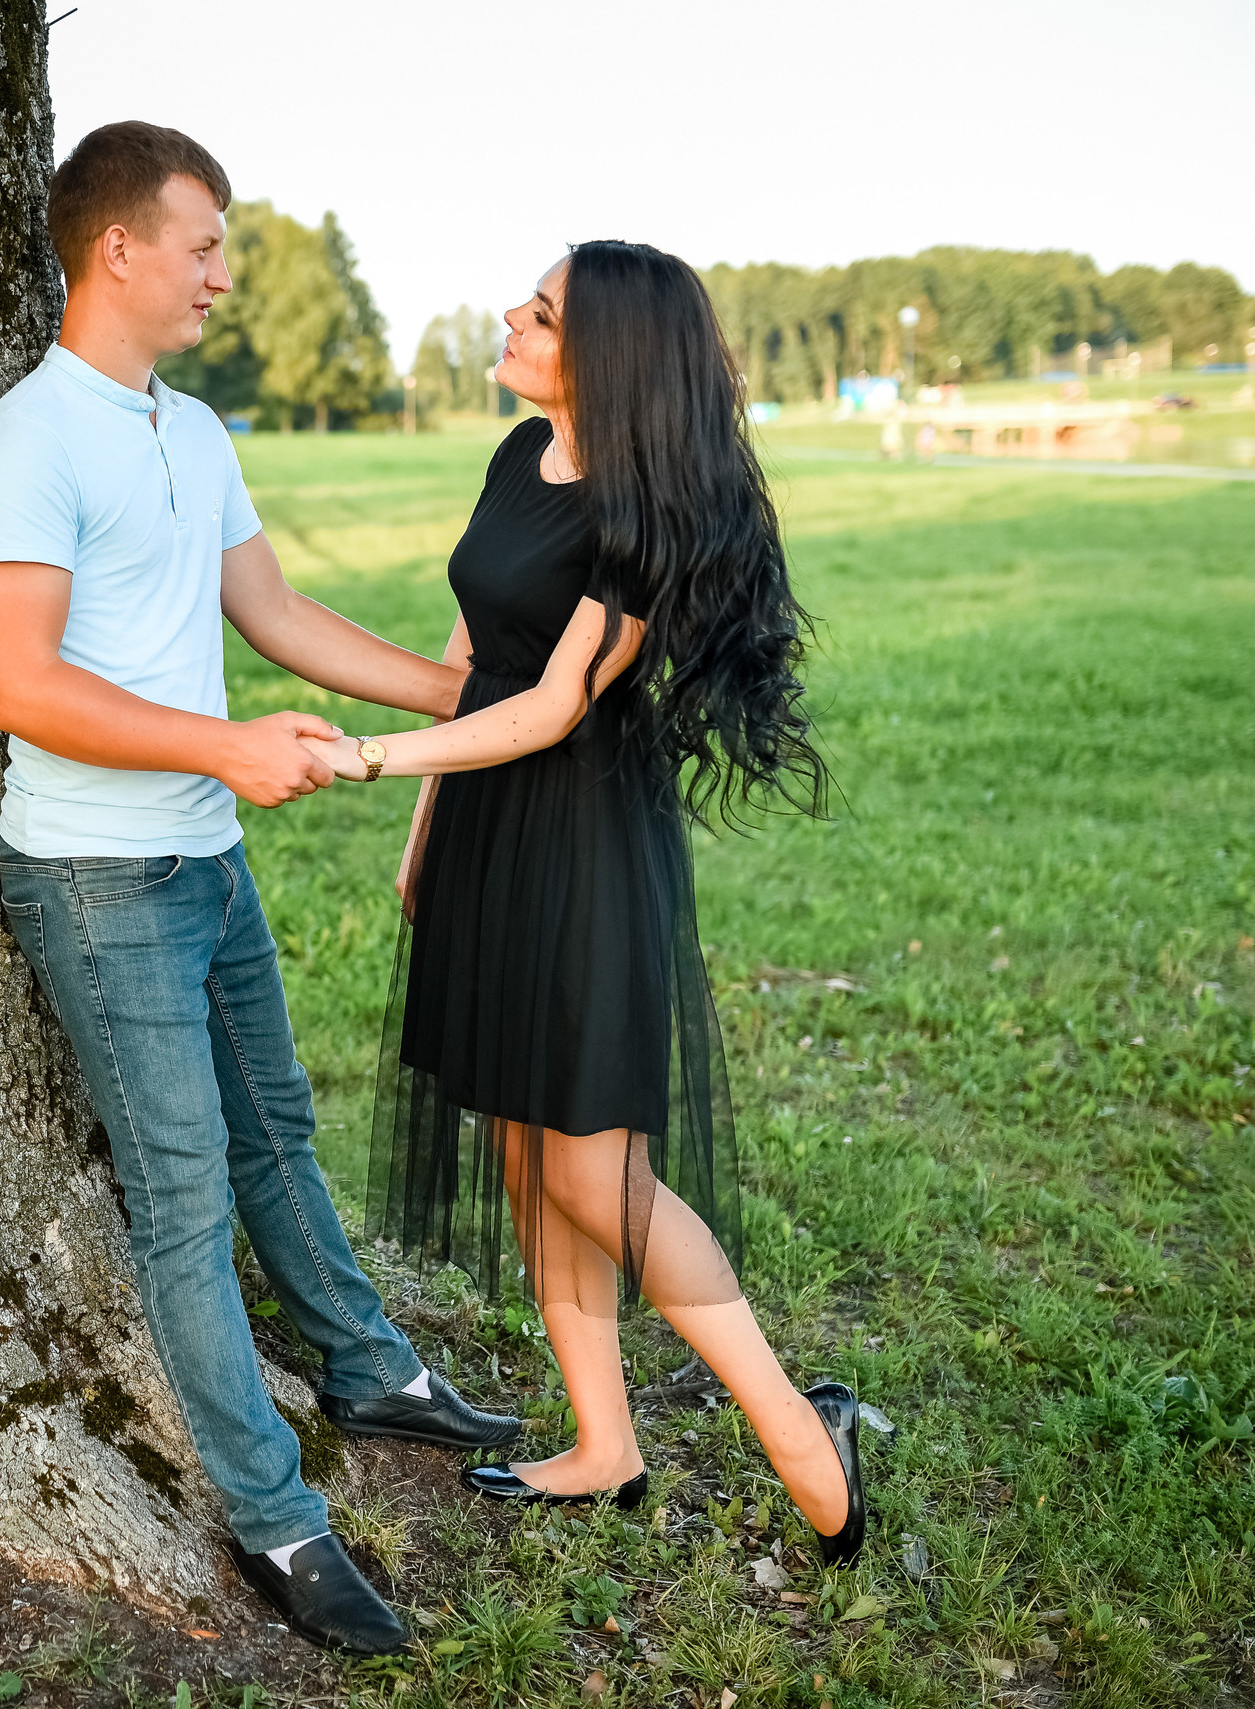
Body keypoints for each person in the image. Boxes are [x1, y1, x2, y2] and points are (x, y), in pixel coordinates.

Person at [0, 121, 519, 1656]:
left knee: (276, 1126)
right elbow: (21, 684)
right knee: (187, 1195)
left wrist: (449, 698)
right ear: (117, 248)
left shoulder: (189, 431)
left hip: (205, 852)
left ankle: (367, 1365)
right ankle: (278, 1520)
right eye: (202, 243)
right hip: (97, 873)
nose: (221, 272)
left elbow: (266, 610)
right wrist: (223, 746)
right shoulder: (25, 441)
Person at [304, 242, 871, 1564]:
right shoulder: (515, 456)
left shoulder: (640, 509)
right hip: (488, 823)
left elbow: (553, 705)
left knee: (594, 1169)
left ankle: (796, 1422)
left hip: (582, 841)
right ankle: (603, 1441)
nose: (511, 312)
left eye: (542, 310)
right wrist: (427, 825)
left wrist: (367, 757)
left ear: (603, 353)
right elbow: (471, 663)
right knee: (520, 1140)